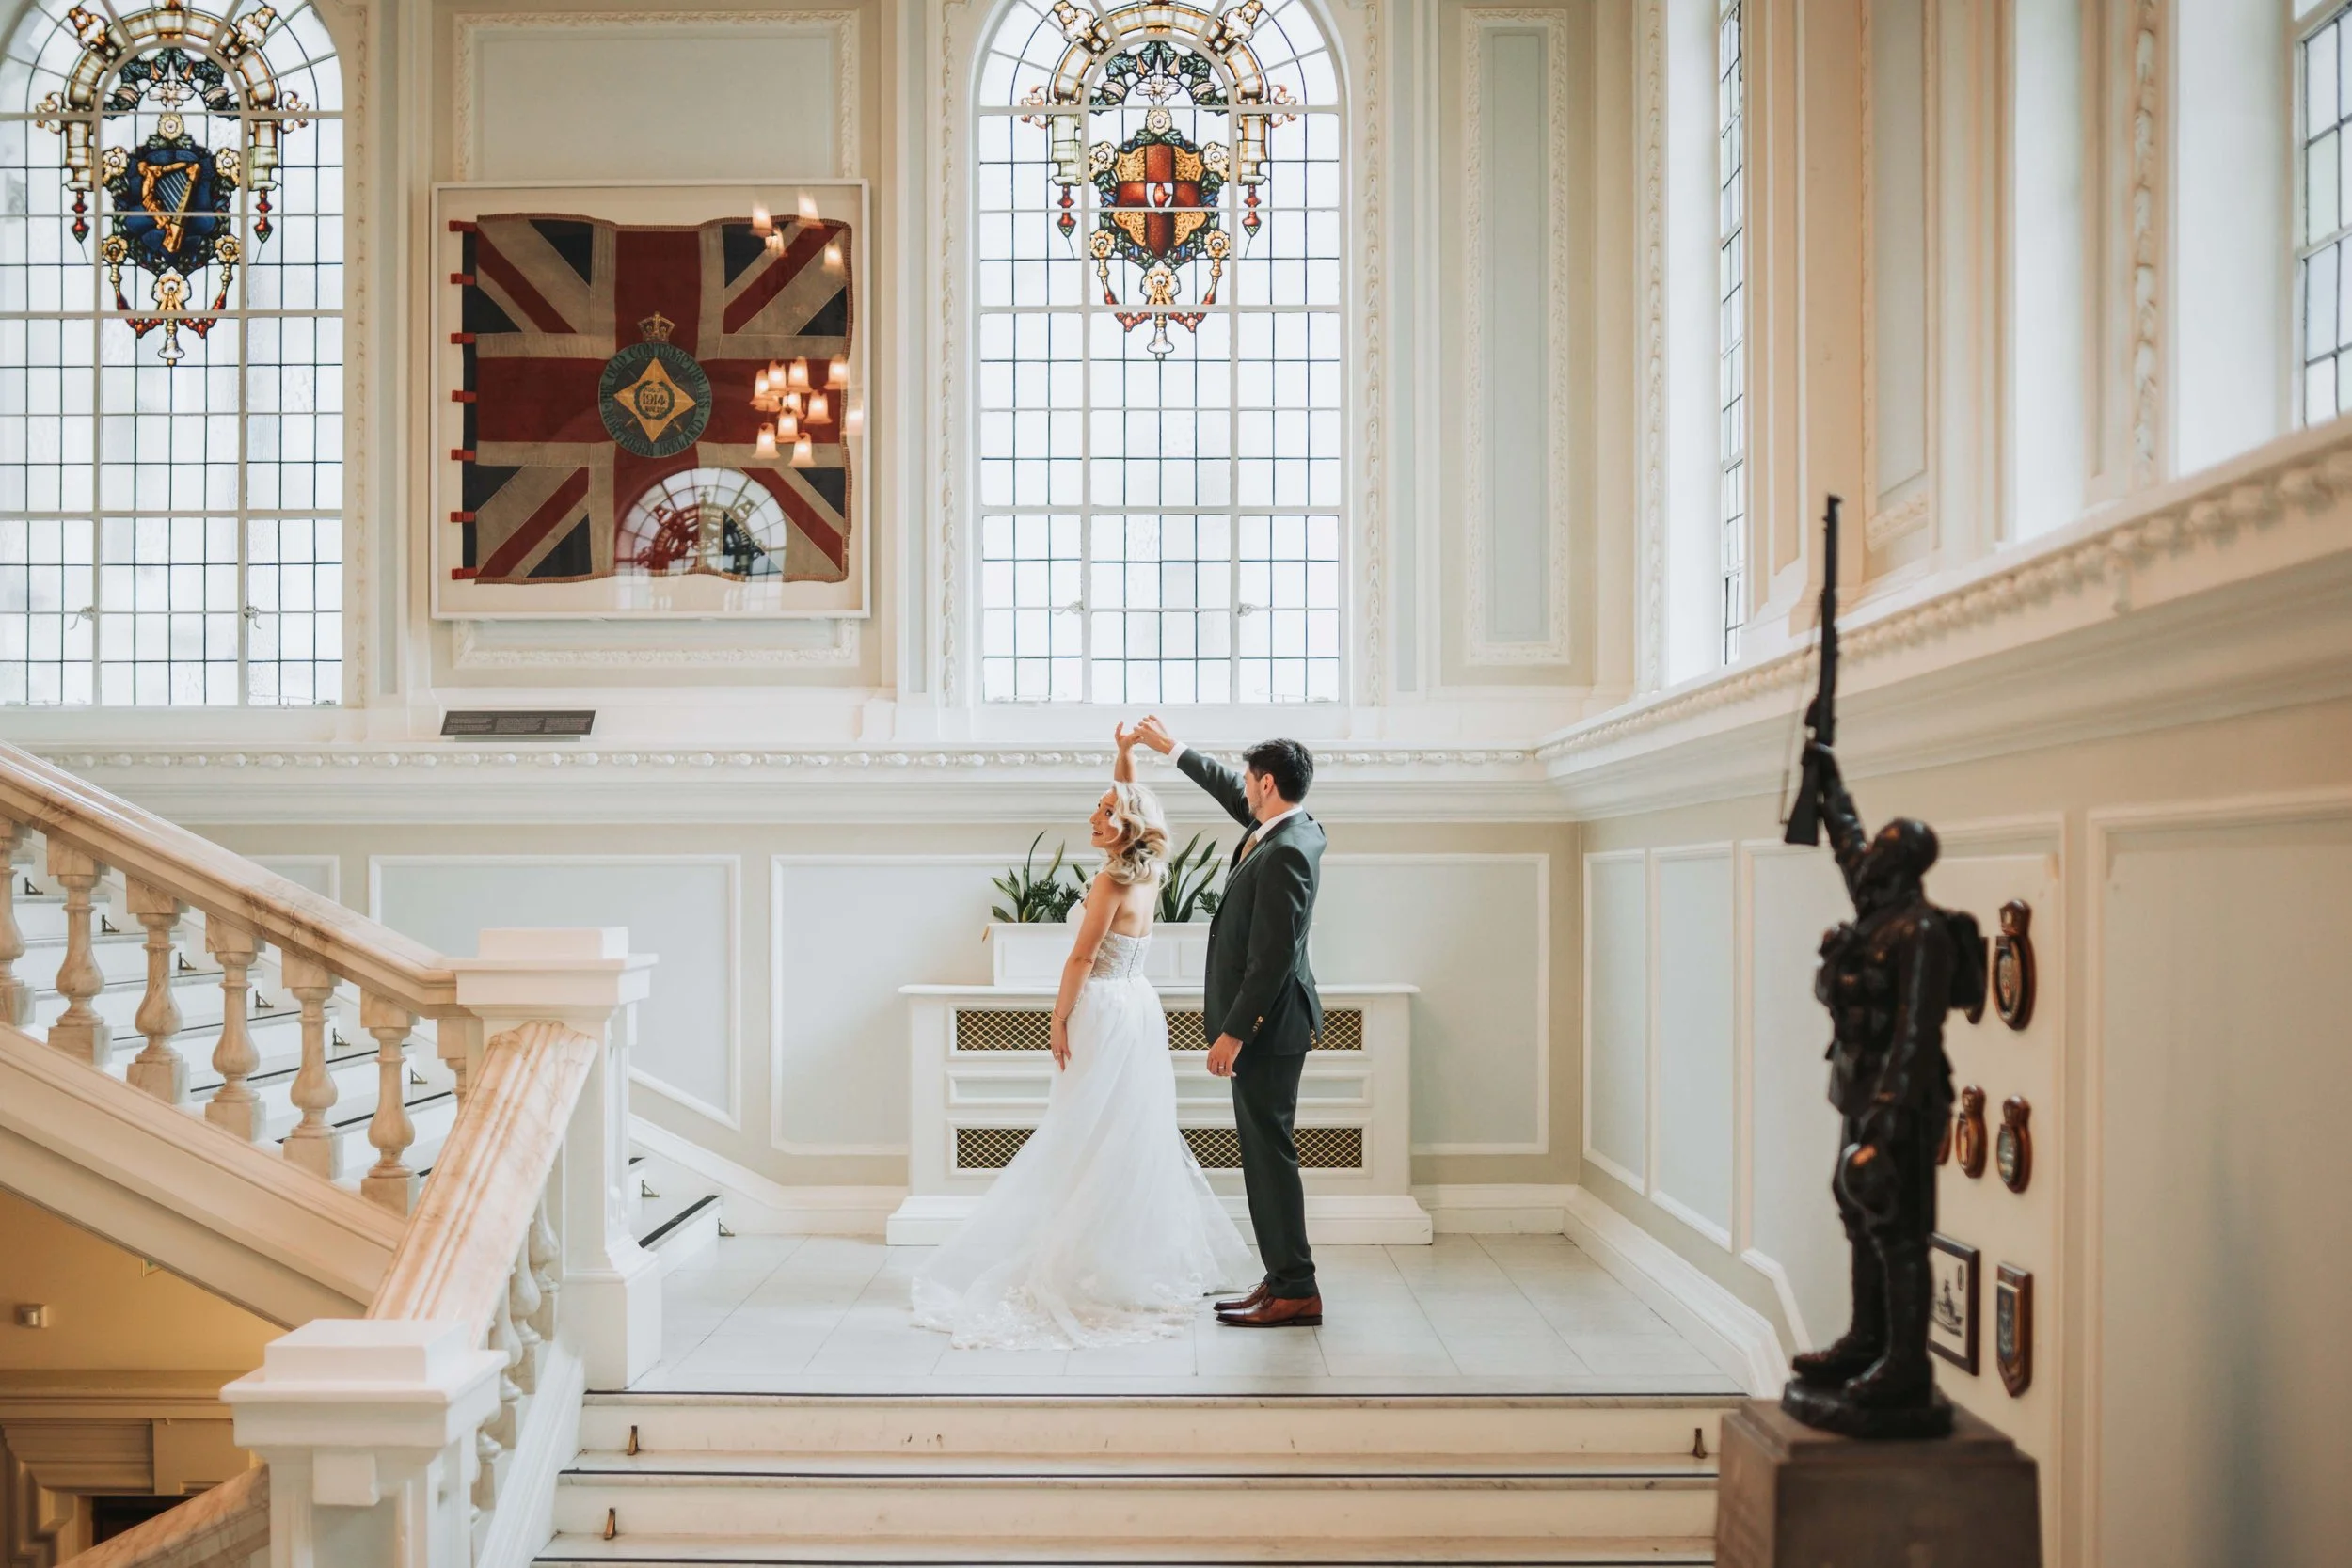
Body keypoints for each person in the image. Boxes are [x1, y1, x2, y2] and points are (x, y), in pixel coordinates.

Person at [911, 730, 1253, 1350]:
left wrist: (1058, 1018)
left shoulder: (1109, 885)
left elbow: (1079, 959)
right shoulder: (1150, 870)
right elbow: (1132, 796)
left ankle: (1085, 1260)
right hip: (1139, 1006)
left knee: (1084, 1133)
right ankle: (1118, 1253)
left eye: (1105, 811)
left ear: (1125, 826)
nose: (1094, 816)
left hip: (1099, 1006)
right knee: (1128, 1132)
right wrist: (1127, 753)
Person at [1128, 717, 1326, 1329]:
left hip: (1268, 1030)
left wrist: (1235, 1031)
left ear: (1266, 783)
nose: (1241, 787)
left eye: (1247, 779)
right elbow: (1224, 786)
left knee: (1270, 1156)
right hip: (1268, 1028)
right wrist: (1172, 749)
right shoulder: (1285, 827)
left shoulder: (1287, 850)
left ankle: (1296, 1286)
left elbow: (1272, 960)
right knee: (1264, 1156)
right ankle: (1282, 1277)